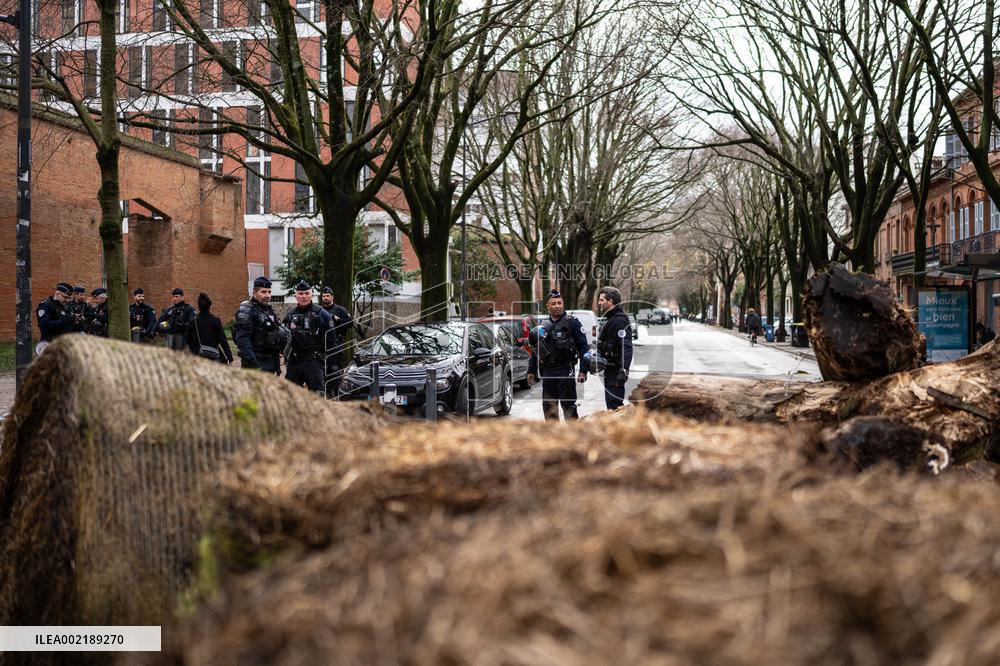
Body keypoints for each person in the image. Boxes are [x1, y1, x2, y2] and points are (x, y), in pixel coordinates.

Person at [527, 289, 589, 420]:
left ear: (563, 304)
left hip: (565, 369)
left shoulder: (573, 323)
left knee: (569, 407)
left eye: (559, 303)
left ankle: (572, 437)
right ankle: (553, 438)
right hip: (548, 371)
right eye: (553, 303)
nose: (557, 306)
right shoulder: (542, 325)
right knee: (549, 408)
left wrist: (583, 370)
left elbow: (584, 348)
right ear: (548, 306)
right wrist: (531, 370)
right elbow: (535, 349)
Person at [283, 280, 333, 393]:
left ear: (312, 294)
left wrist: (327, 361)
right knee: (290, 396)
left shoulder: (322, 313)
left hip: (313, 362)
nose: (304, 296)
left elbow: (331, 340)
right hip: (294, 362)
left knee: (316, 397)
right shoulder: (290, 315)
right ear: (296, 296)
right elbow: (284, 338)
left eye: (306, 293)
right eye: (300, 294)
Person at [233, 276, 288, 374]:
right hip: (254, 364)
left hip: (269, 363)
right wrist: (255, 366)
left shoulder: (269, 311)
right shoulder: (247, 310)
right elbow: (243, 340)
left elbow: (274, 339)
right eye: (263, 292)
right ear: (254, 293)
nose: (267, 295)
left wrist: (276, 365)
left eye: (269, 292)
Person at [596, 286, 634, 410]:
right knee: (611, 406)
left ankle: (622, 429)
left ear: (610, 301)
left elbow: (626, 345)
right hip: (610, 370)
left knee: (615, 407)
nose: (599, 303)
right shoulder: (611, 318)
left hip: (616, 371)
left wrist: (624, 369)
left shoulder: (619, 320)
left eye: (601, 300)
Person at [320, 286, 352, 395]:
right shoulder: (320, 310)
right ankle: (326, 393)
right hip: (322, 345)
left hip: (336, 344)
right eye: (324, 296)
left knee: (335, 370)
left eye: (327, 296)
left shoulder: (340, 310)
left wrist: (339, 320)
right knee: (324, 369)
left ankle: (336, 392)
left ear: (332, 297)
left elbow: (350, 322)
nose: (325, 298)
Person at [186, 292, 234, 364]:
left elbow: (188, 341)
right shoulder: (216, 321)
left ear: (199, 307)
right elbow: (223, 340)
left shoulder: (193, 322)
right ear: (210, 307)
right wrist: (229, 356)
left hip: (197, 357)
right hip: (213, 357)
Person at [36, 282, 75, 354]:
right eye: (65, 297)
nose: (66, 300)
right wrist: (66, 320)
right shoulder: (45, 306)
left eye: (68, 298)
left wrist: (76, 322)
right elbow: (44, 326)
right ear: (57, 293)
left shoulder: (65, 307)